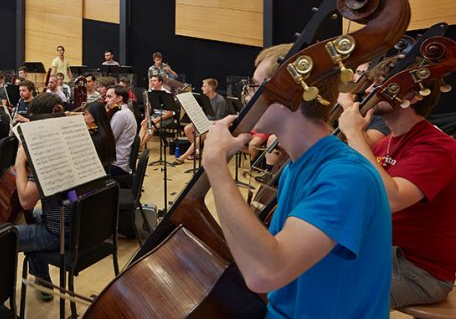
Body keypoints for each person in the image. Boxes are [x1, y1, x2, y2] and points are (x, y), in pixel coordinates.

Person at [202, 48, 392, 318]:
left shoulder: (347, 178)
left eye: (254, 86)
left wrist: (216, 167)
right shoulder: (294, 167)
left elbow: (264, 274)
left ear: (288, 97)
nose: (247, 97)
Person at [339, 73, 456, 308]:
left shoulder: (437, 148)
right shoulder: (387, 142)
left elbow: (391, 199)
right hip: (379, 254)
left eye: (381, 84)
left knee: (339, 302)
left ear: (411, 97)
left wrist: (353, 133)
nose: (370, 90)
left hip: (418, 271)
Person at [14, 93, 69, 301]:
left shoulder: (49, 154)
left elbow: (26, 201)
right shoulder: (76, 138)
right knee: (37, 215)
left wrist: (21, 161)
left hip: (59, 235)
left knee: (3, 237)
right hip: (83, 226)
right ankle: (44, 283)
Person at [174, 78, 229, 165]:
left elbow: (219, 119)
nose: (202, 88)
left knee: (201, 135)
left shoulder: (220, 100)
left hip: (216, 125)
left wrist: (207, 123)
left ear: (210, 88)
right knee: (187, 129)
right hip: (206, 122)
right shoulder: (205, 99)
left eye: (204, 86)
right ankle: (198, 151)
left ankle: (183, 157)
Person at [106, 86, 137, 176]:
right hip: (122, 160)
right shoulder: (125, 111)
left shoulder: (120, 115)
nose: (106, 100)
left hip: (118, 164)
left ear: (119, 98)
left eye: (109, 97)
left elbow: (108, 139)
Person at [85, 101, 116, 170]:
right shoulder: (106, 130)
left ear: (95, 115)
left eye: (86, 114)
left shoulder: (96, 138)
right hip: (106, 169)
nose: (84, 117)